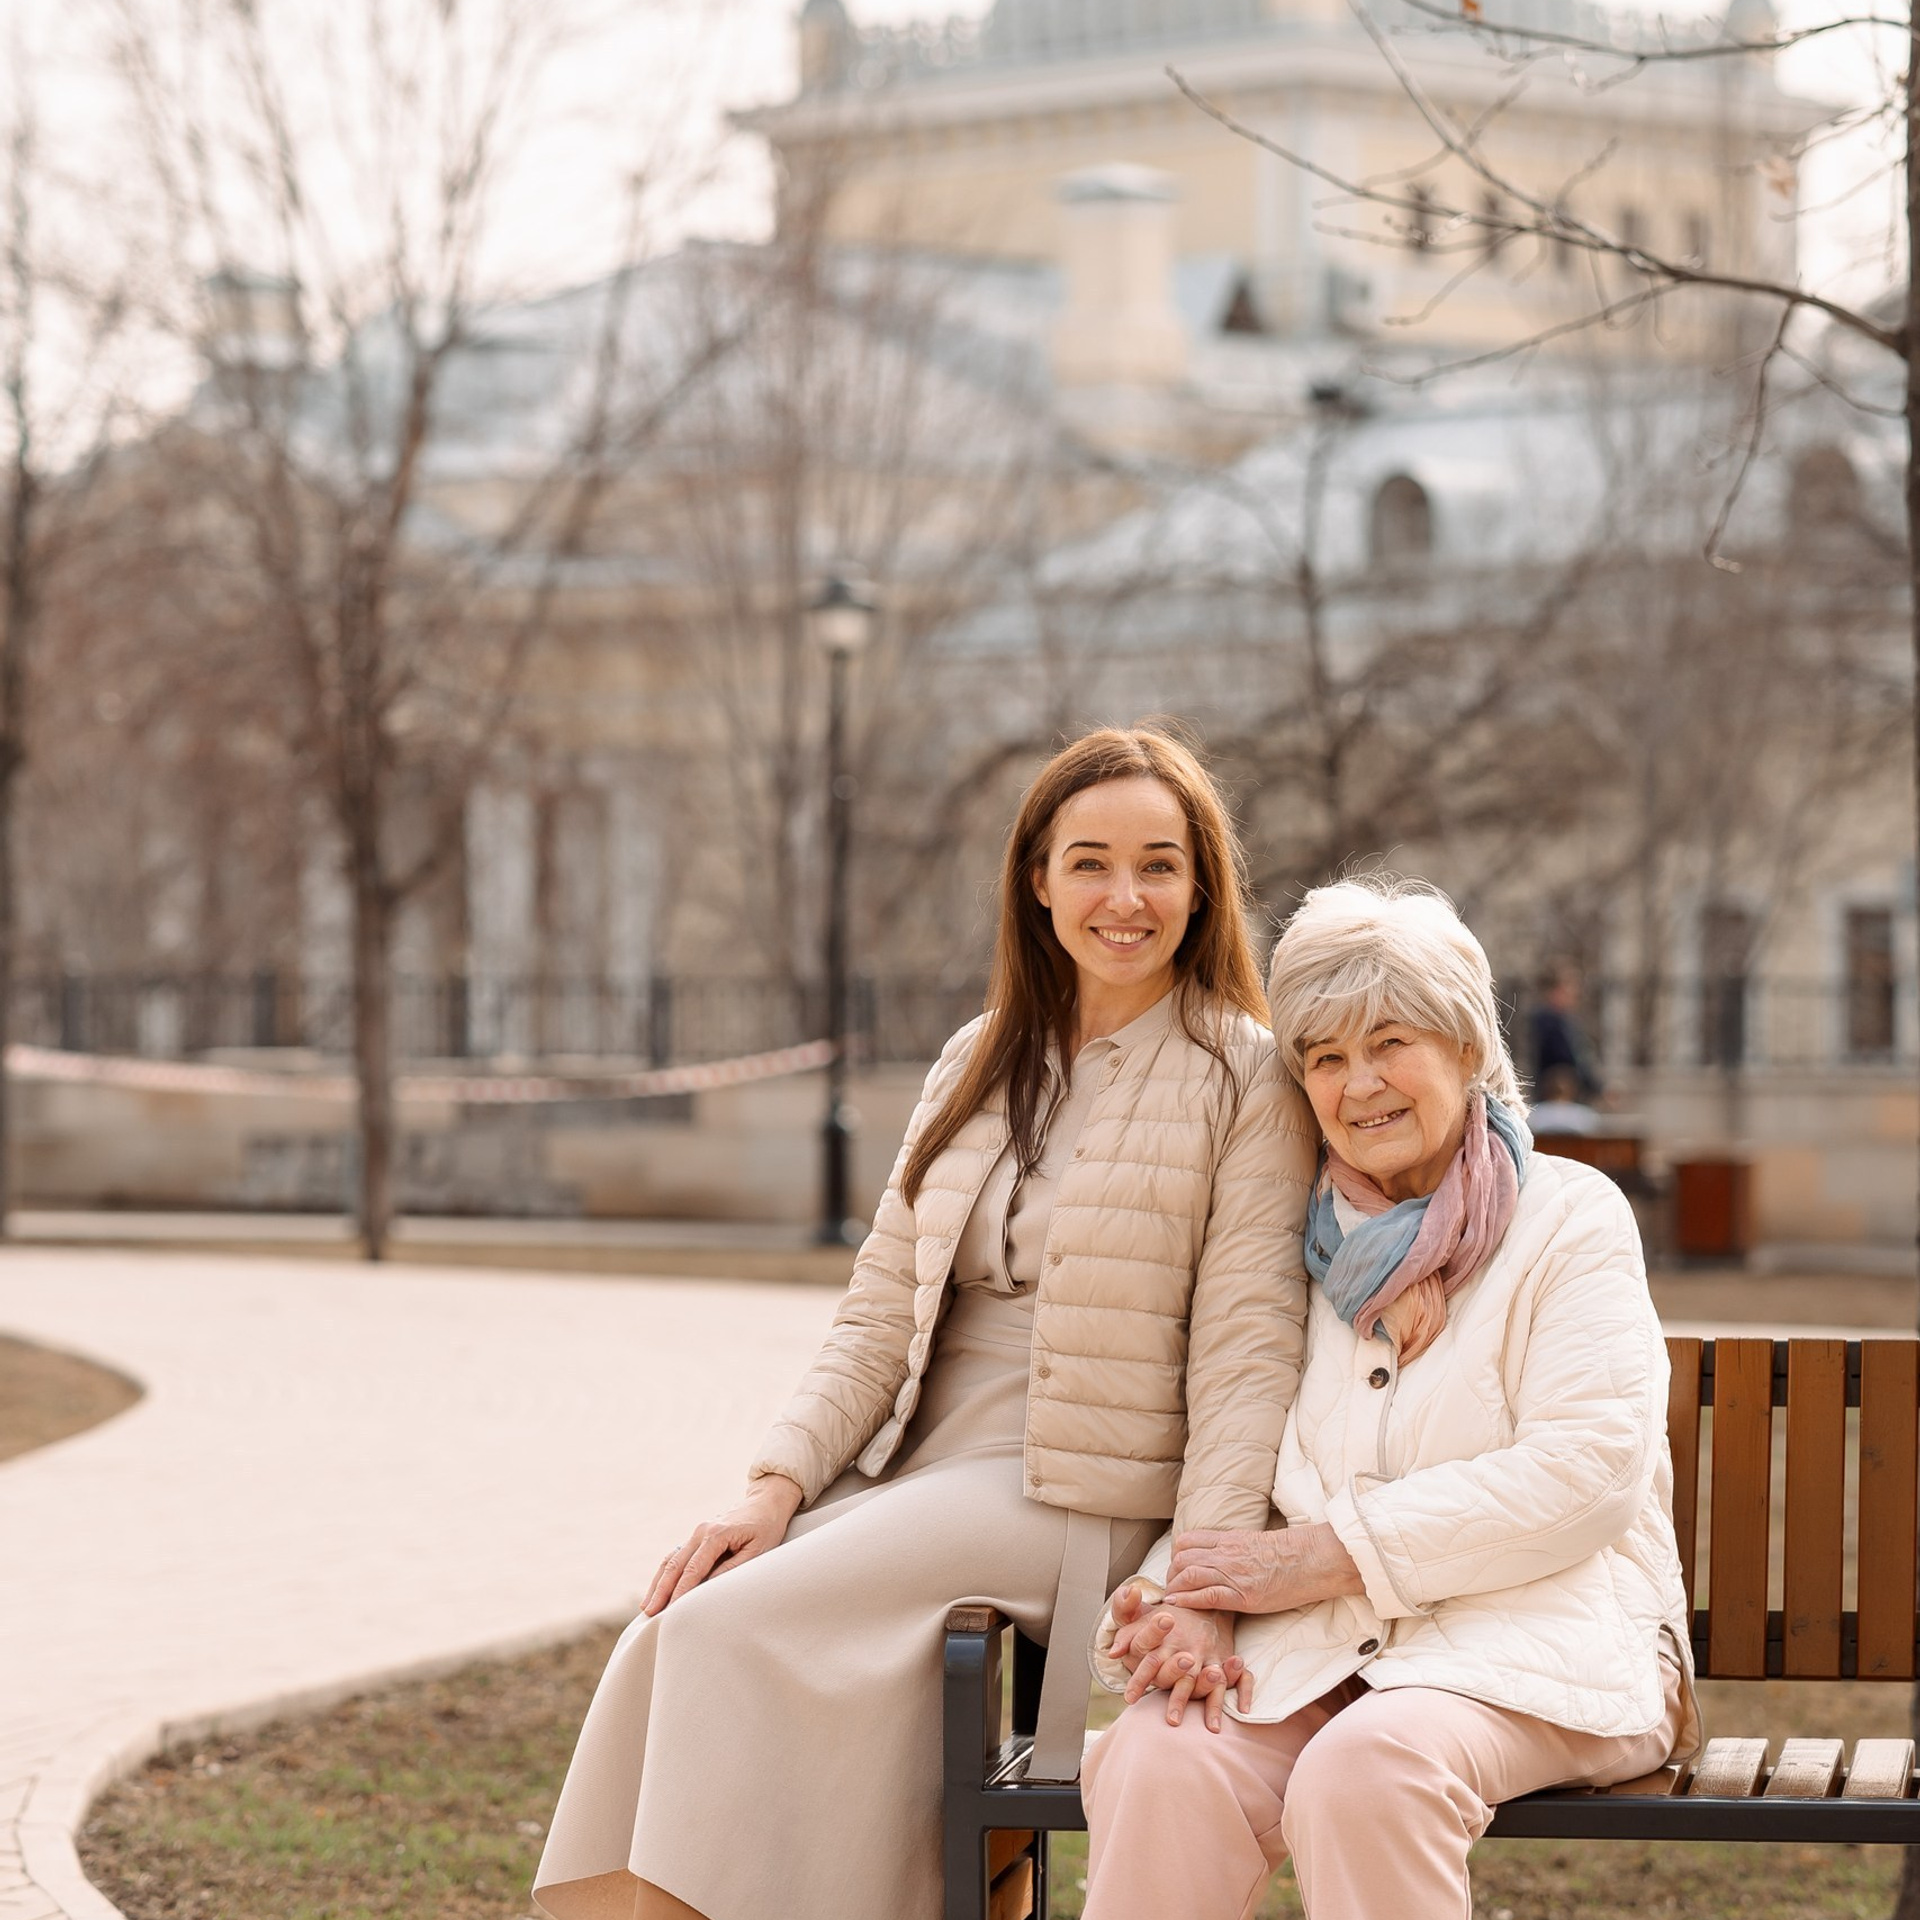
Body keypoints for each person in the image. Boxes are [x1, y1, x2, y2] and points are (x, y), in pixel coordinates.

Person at [533, 726, 1317, 1920]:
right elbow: (873, 1315)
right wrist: (775, 1482)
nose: (1125, 896)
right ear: (1036, 880)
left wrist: (1202, 1583)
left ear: (1202, 885)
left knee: (727, 1638)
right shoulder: (979, 1058)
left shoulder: (1244, 1079)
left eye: (1160, 864)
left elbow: (1249, 1353)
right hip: (919, 1461)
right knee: (674, 1624)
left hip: (1073, 1492)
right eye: (1090, 861)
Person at [1079, 875, 1696, 1920]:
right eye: (1324, 1058)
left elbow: (1585, 1474)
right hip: (1333, 1652)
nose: (1358, 1083)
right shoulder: (1283, 1242)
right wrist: (1182, 1604)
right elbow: (1239, 1454)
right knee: (1161, 1755)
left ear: (1466, 1050)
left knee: (1367, 1769)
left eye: (1390, 1043)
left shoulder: (1570, 1220)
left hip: (1550, 1644)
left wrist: (1325, 1557)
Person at [1529, 963, 1604, 1105]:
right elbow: (1573, 1059)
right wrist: (1597, 1087)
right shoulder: (1549, 1021)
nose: (1575, 993)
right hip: (1557, 1094)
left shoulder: (1563, 1019)